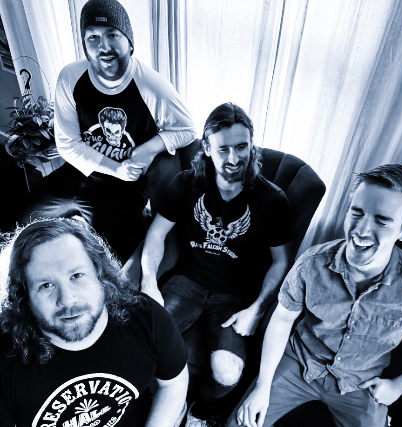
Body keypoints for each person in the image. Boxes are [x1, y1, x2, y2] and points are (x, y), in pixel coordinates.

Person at [228, 164, 402, 427]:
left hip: (360, 382)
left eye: (382, 220)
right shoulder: (312, 263)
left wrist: (399, 386)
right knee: (240, 423)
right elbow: (282, 320)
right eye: (357, 212)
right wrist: (262, 386)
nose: (361, 230)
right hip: (300, 360)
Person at [140, 103, 293, 426]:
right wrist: (148, 282)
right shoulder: (186, 183)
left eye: (242, 147)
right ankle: (168, 401)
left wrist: (257, 310)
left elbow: (281, 261)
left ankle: (199, 412)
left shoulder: (272, 200)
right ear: (207, 148)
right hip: (187, 283)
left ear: (251, 146)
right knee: (144, 342)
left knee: (227, 374)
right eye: (223, 149)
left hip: (235, 298)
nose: (234, 158)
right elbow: (156, 234)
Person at [20, 0, 197, 262]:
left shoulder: (150, 85)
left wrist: (149, 148)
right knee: (22, 227)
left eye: (113, 35)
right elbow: (68, 144)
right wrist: (114, 168)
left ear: (129, 42)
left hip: (124, 187)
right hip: (79, 172)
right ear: (85, 43)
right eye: (93, 37)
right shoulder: (71, 77)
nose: (104, 47)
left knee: (112, 258)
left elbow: (188, 129)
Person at [0, 218, 188, 427]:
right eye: (46, 285)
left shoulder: (145, 316)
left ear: (100, 274)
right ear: (24, 296)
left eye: (77, 275)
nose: (67, 299)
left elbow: (173, 384)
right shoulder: (5, 359)